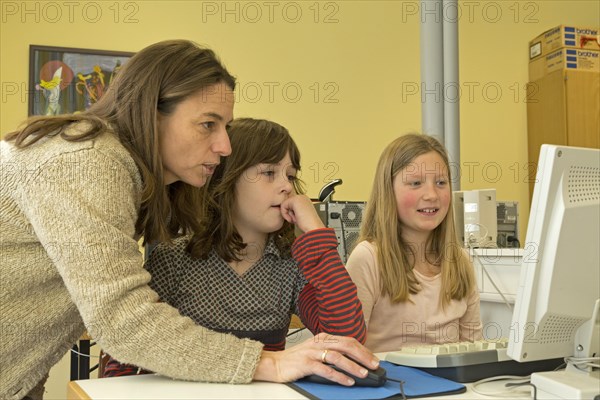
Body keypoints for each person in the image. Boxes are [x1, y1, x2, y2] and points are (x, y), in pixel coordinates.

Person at [0, 40, 378, 400]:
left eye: (225, 127)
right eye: (207, 124)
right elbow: (124, 323)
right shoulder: (87, 163)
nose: (224, 146)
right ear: (152, 111)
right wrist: (270, 362)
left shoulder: (124, 176)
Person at [102, 117, 367, 376]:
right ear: (226, 179)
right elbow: (122, 354)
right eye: (269, 172)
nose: (287, 186)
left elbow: (346, 339)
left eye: (290, 175)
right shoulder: (174, 261)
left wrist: (316, 233)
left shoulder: (292, 267)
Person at [345, 133, 483, 353]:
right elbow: (348, 351)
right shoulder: (368, 258)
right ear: (388, 191)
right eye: (416, 183)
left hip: (453, 385)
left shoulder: (460, 261)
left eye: (441, 182)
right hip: (392, 385)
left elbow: (475, 351)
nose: (431, 195)